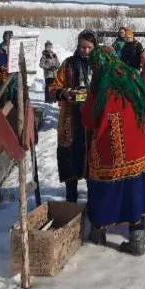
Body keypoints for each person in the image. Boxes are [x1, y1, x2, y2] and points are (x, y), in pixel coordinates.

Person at [81, 47, 145, 256]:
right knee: (135, 190)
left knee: (103, 186)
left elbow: (89, 118)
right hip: (144, 148)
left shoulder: (102, 85)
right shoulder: (133, 75)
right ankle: (137, 239)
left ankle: (98, 232)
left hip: (116, 150)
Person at [49, 30, 97, 203]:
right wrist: (65, 93)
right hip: (70, 118)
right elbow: (54, 88)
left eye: (89, 47)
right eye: (82, 47)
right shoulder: (68, 64)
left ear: (94, 47)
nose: (85, 50)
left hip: (92, 120)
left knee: (92, 159)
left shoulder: (99, 65)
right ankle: (71, 198)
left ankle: (94, 198)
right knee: (69, 157)